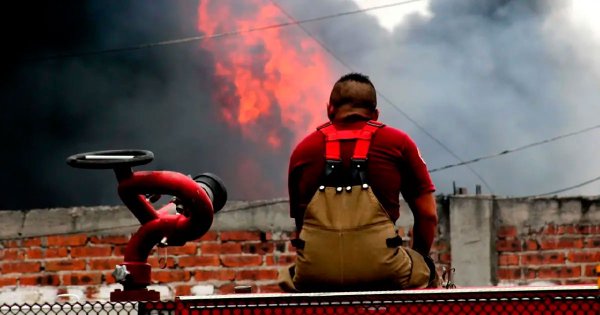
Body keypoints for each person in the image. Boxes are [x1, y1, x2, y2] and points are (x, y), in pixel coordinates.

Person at [279, 72, 439, 292]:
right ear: (375, 114)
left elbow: (301, 226)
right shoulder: (399, 143)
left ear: (329, 110)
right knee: (427, 271)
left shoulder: (302, 151)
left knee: (288, 277)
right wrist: (419, 260)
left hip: (315, 274)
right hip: (387, 271)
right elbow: (428, 215)